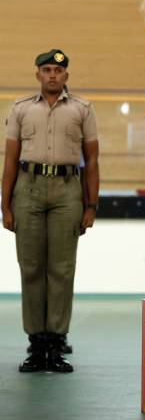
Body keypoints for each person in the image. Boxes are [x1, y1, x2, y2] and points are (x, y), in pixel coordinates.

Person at [1, 49, 99, 373]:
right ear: (38, 75)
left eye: (58, 70)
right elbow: (10, 160)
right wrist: (5, 205)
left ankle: (56, 341)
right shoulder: (20, 109)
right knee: (30, 267)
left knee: (61, 268)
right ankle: (36, 343)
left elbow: (93, 162)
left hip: (67, 192)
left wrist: (90, 205)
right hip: (27, 190)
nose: (53, 75)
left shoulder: (83, 109)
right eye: (47, 69)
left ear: (66, 76)